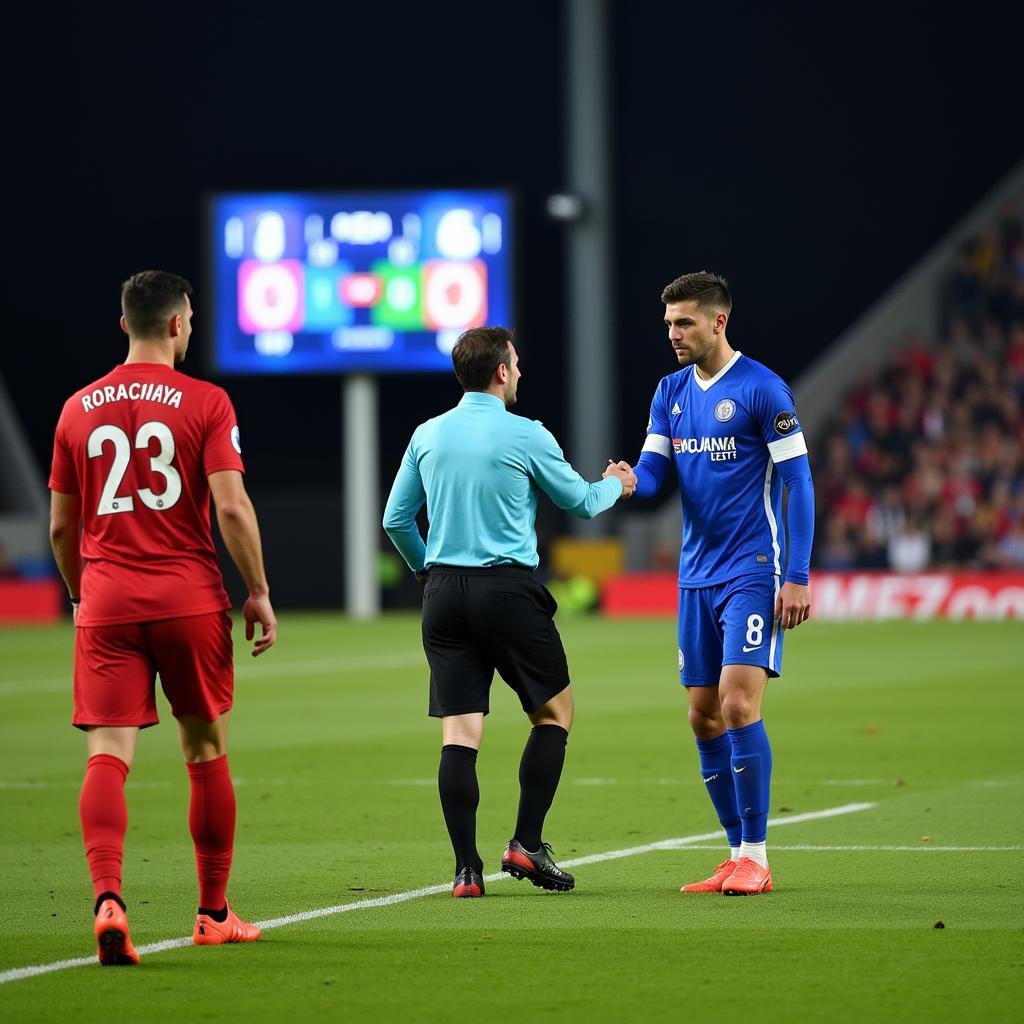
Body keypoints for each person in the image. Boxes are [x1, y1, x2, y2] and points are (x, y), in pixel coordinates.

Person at [48, 271, 277, 965]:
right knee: (205, 753)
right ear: (179, 324)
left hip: (108, 601)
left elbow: (61, 528)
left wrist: (83, 593)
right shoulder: (205, 401)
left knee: (107, 755)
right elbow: (232, 507)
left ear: (125, 326)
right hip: (188, 600)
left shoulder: (76, 408)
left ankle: (109, 899)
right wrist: (259, 589)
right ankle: (212, 913)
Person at [383, 326, 635, 898]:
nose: (518, 373)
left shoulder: (427, 434)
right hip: (507, 590)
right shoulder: (527, 434)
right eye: (515, 365)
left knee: (460, 733)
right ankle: (525, 842)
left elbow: (396, 521)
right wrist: (618, 484)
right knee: (555, 713)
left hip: (444, 594)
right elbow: (581, 502)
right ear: (500, 371)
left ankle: (466, 870)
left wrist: (429, 572)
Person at [609, 271, 814, 896]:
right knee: (701, 717)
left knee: (737, 704)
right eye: (669, 323)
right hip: (694, 574)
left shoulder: (763, 390)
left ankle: (758, 854)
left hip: (753, 568)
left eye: (684, 323)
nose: (673, 334)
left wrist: (798, 576)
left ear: (718, 321)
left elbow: (798, 484)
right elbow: (653, 469)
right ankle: (732, 854)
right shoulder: (669, 391)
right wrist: (625, 482)